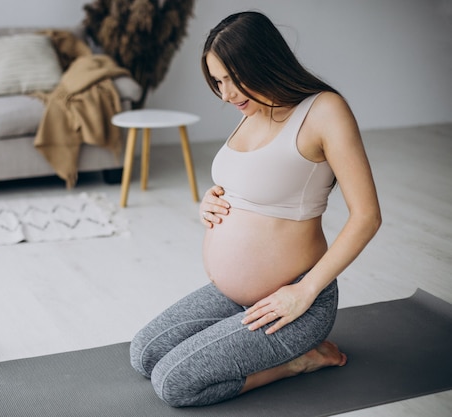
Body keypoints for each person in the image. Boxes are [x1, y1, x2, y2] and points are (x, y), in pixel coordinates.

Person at [129, 11, 382, 407]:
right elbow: (254, 184)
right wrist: (210, 202)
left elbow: (367, 216)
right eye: (218, 81)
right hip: (233, 295)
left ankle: (298, 361)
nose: (227, 94)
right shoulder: (251, 111)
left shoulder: (324, 111)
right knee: (144, 354)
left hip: (294, 303)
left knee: (173, 383)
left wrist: (304, 291)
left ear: (264, 61)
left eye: (233, 78)